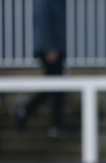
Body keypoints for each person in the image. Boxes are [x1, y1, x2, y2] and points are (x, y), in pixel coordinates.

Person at [12, 0, 67, 137]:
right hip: (51, 49)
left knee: (56, 86)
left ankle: (55, 122)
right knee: (53, 85)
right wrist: (50, 48)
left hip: (54, 47)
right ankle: (25, 110)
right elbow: (43, 20)